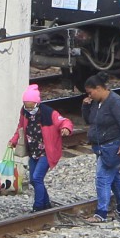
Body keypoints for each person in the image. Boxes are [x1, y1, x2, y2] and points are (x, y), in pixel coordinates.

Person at [9, 84, 73, 213]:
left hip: (47, 152)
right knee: (33, 179)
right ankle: (46, 203)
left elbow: (64, 121)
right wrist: (14, 141)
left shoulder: (49, 113)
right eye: (26, 106)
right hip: (33, 151)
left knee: (37, 178)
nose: (28, 109)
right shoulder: (24, 112)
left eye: (31, 106)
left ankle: (38, 207)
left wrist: (66, 129)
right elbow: (20, 127)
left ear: (37, 103)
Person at [82, 74, 120, 221]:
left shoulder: (115, 102)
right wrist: (86, 106)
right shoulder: (96, 103)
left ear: (98, 88)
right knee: (114, 177)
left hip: (113, 146)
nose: (89, 95)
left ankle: (101, 213)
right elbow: (90, 120)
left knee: (102, 178)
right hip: (102, 147)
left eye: (90, 92)